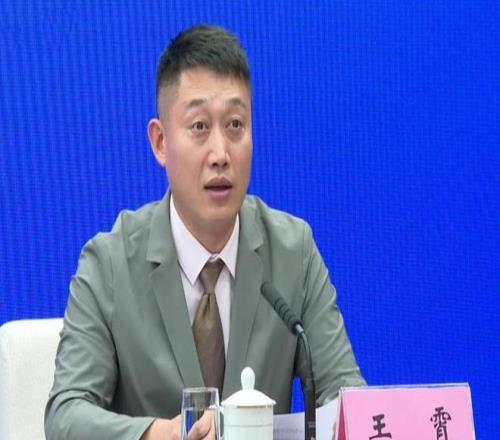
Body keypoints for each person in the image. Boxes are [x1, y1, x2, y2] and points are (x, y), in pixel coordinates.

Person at [45, 24, 365, 440]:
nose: (220, 154)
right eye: (199, 127)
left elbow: (347, 397)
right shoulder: (109, 263)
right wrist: (161, 434)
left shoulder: (293, 252)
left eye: (235, 125)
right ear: (160, 142)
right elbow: (66, 416)